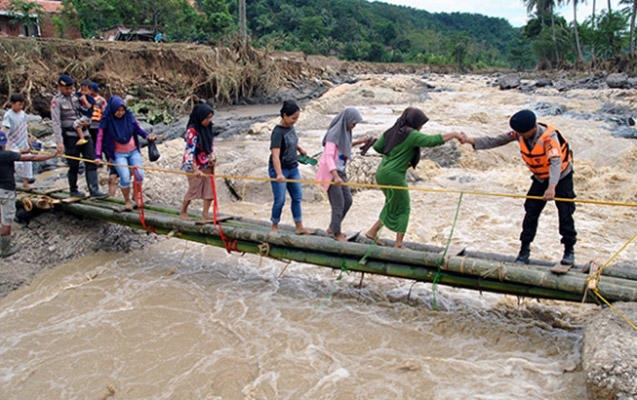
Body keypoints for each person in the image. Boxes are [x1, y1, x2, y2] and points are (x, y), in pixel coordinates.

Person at [462, 109, 576, 265]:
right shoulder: (520, 133)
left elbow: (555, 163)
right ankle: (524, 250)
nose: (519, 136)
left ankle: (569, 250)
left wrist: (552, 187)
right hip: (540, 178)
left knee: (565, 213)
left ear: (532, 128)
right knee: (530, 212)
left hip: (561, 177)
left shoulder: (549, 138)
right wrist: (470, 140)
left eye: (522, 133)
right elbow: (497, 140)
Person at [364, 107, 465, 249]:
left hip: (381, 172)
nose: (422, 127)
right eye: (421, 123)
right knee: (404, 207)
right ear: (415, 122)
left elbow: (378, 147)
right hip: (394, 175)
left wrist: (394, 154)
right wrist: (454, 134)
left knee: (392, 203)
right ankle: (398, 244)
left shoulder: (391, 132)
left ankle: (372, 232)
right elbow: (432, 141)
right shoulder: (411, 135)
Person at [0, 131, 59, 257]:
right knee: (6, 220)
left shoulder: (7, 154)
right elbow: (32, 158)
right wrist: (51, 156)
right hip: (6, 190)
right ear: (4, 144)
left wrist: (24, 150)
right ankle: (5, 249)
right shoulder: (6, 155)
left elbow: (16, 153)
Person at [94, 96, 156, 212]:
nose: (120, 113)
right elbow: (100, 138)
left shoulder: (128, 116)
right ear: (112, 109)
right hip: (118, 154)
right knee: (125, 177)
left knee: (139, 175)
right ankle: (127, 201)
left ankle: (137, 197)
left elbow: (138, 129)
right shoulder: (107, 120)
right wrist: (97, 156)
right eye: (118, 110)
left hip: (133, 151)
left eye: (122, 110)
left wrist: (147, 135)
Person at [51, 74, 107, 198]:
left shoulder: (77, 97)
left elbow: (88, 110)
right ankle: (73, 189)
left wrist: (89, 122)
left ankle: (94, 190)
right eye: (67, 89)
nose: (70, 91)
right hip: (70, 137)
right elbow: (56, 122)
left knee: (91, 161)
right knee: (74, 164)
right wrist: (59, 142)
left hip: (85, 133)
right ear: (59, 87)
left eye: (71, 88)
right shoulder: (57, 101)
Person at [315, 107, 366, 242]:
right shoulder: (334, 134)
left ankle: (333, 227)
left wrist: (359, 142)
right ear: (347, 120)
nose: (353, 126)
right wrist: (335, 176)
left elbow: (344, 147)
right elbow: (328, 156)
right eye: (353, 123)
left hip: (340, 172)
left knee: (348, 200)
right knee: (338, 204)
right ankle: (336, 234)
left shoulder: (345, 133)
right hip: (331, 173)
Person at [268, 100, 312, 234]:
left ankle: (299, 226)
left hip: (293, 167)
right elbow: (275, 155)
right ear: (285, 115)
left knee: (297, 197)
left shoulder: (291, 127)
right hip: (280, 169)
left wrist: (300, 149)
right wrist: (279, 174)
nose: (295, 121)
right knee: (280, 200)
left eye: (297, 118)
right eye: (293, 118)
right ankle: (274, 226)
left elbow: (292, 140)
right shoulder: (277, 132)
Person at [180, 103, 216, 221]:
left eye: (210, 117)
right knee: (194, 188)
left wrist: (211, 157)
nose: (208, 121)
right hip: (193, 164)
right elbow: (190, 150)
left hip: (205, 162)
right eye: (206, 118)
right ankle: (183, 212)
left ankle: (205, 214)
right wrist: (195, 169)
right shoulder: (192, 131)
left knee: (209, 190)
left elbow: (209, 145)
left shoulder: (208, 127)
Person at [1, 93, 34, 189]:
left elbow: (25, 128)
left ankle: (26, 181)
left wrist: (29, 139)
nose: (20, 107)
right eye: (19, 104)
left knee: (28, 160)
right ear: (13, 104)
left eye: (22, 105)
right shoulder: (8, 115)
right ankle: (12, 181)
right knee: (15, 163)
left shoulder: (23, 114)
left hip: (23, 141)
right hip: (13, 142)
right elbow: (5, 128)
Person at [74, 80, 96, 146]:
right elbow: (74, 95)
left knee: (76, 125)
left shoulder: (91, 98)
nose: (83, 92)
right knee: (80, 125)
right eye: (82, 90)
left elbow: (89, 106)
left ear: (90, 91)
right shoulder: (79, 94)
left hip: (87, 116)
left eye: (85, 90)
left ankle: (82, 138)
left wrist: (84, 99)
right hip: (82, 115)